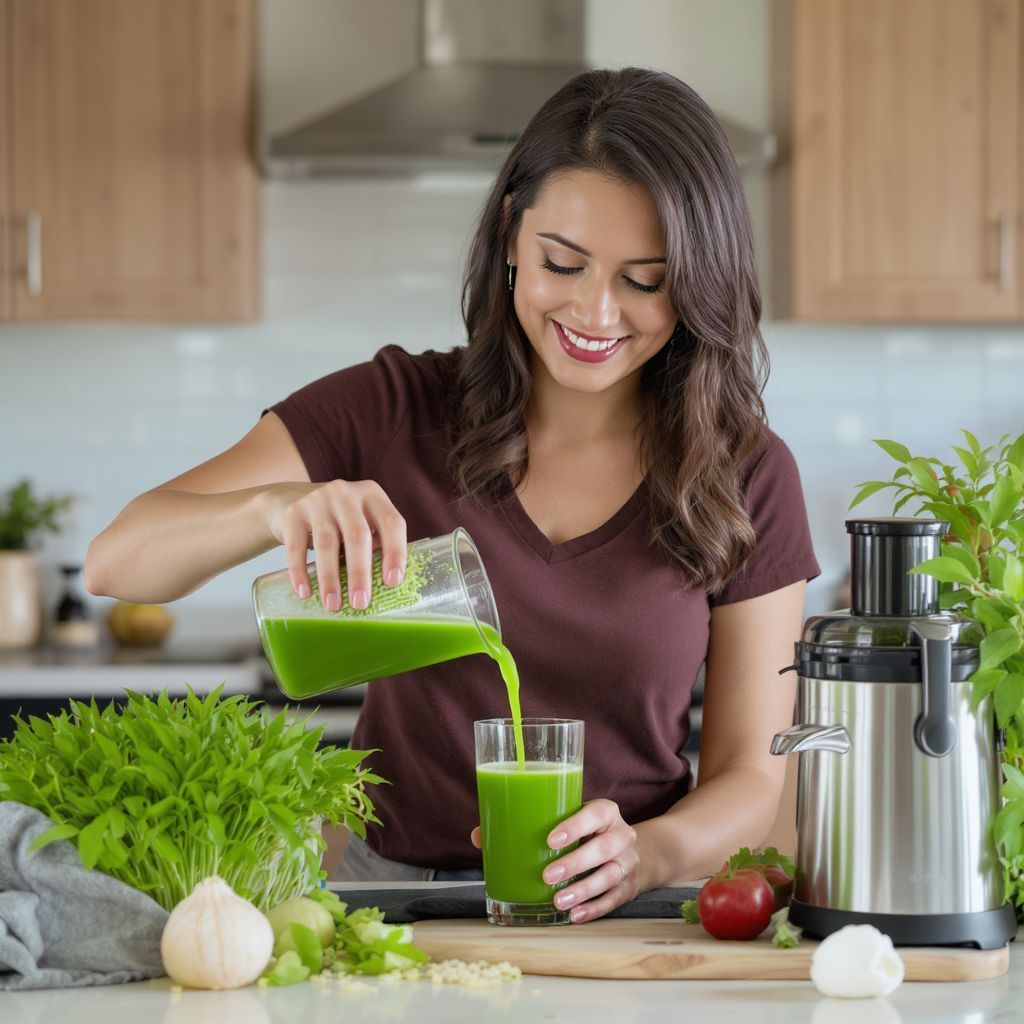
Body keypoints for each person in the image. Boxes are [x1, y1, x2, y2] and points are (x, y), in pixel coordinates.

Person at [85, 67, 819, 923]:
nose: (596, 310)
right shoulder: (392, 408)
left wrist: (647, 852)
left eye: (645, 281)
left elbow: (749, 776)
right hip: (385, 904)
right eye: (563, 263)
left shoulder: (744, 474)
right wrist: (270, 506)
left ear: (695, 280)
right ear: (512, 234)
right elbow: (117, 559)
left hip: (625, 911)